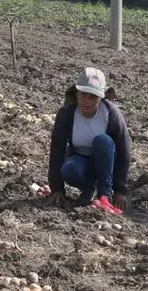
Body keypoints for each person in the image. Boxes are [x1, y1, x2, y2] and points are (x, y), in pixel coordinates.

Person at [47, 67, 131, 212]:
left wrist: (120, 190)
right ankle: (89, 189)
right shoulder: (67, 114)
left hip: (108, 162)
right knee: (69, 169)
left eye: (93, 96)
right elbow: (57, 149)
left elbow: (124, 150)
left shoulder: (110, 113)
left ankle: (105, 195)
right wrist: (56, 188)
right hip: (82, 160)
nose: (87, 101)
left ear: (101, 97)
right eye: (84, 94)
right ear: (76, 93)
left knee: (102, 141)